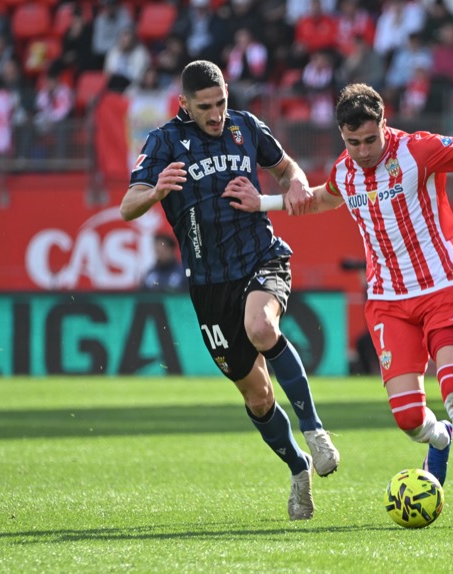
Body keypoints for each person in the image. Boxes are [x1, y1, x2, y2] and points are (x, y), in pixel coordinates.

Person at [221, 82, 453, 527]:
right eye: (353, 142)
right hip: (389, 303)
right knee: (408, 419)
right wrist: (263, 203)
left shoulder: (418, 151)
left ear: (385, 123)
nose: (363, 151)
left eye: (370, 139)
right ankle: (439, 440)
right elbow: (321, 198)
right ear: (342, 135)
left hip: (446, 288)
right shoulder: (345, 171)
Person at [119, 60, 340, 521]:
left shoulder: (246, 126)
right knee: (257, 396)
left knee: (261, 327)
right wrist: (155, 191)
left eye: (221, 102)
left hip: (261, 257)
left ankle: (316, 432)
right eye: (205, 107)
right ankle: (298, 467)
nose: (217, 114)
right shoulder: (163, 142)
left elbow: (287, 169)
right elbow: (127, 206)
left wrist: (296, 185)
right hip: (209, 285)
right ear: (184, 104)